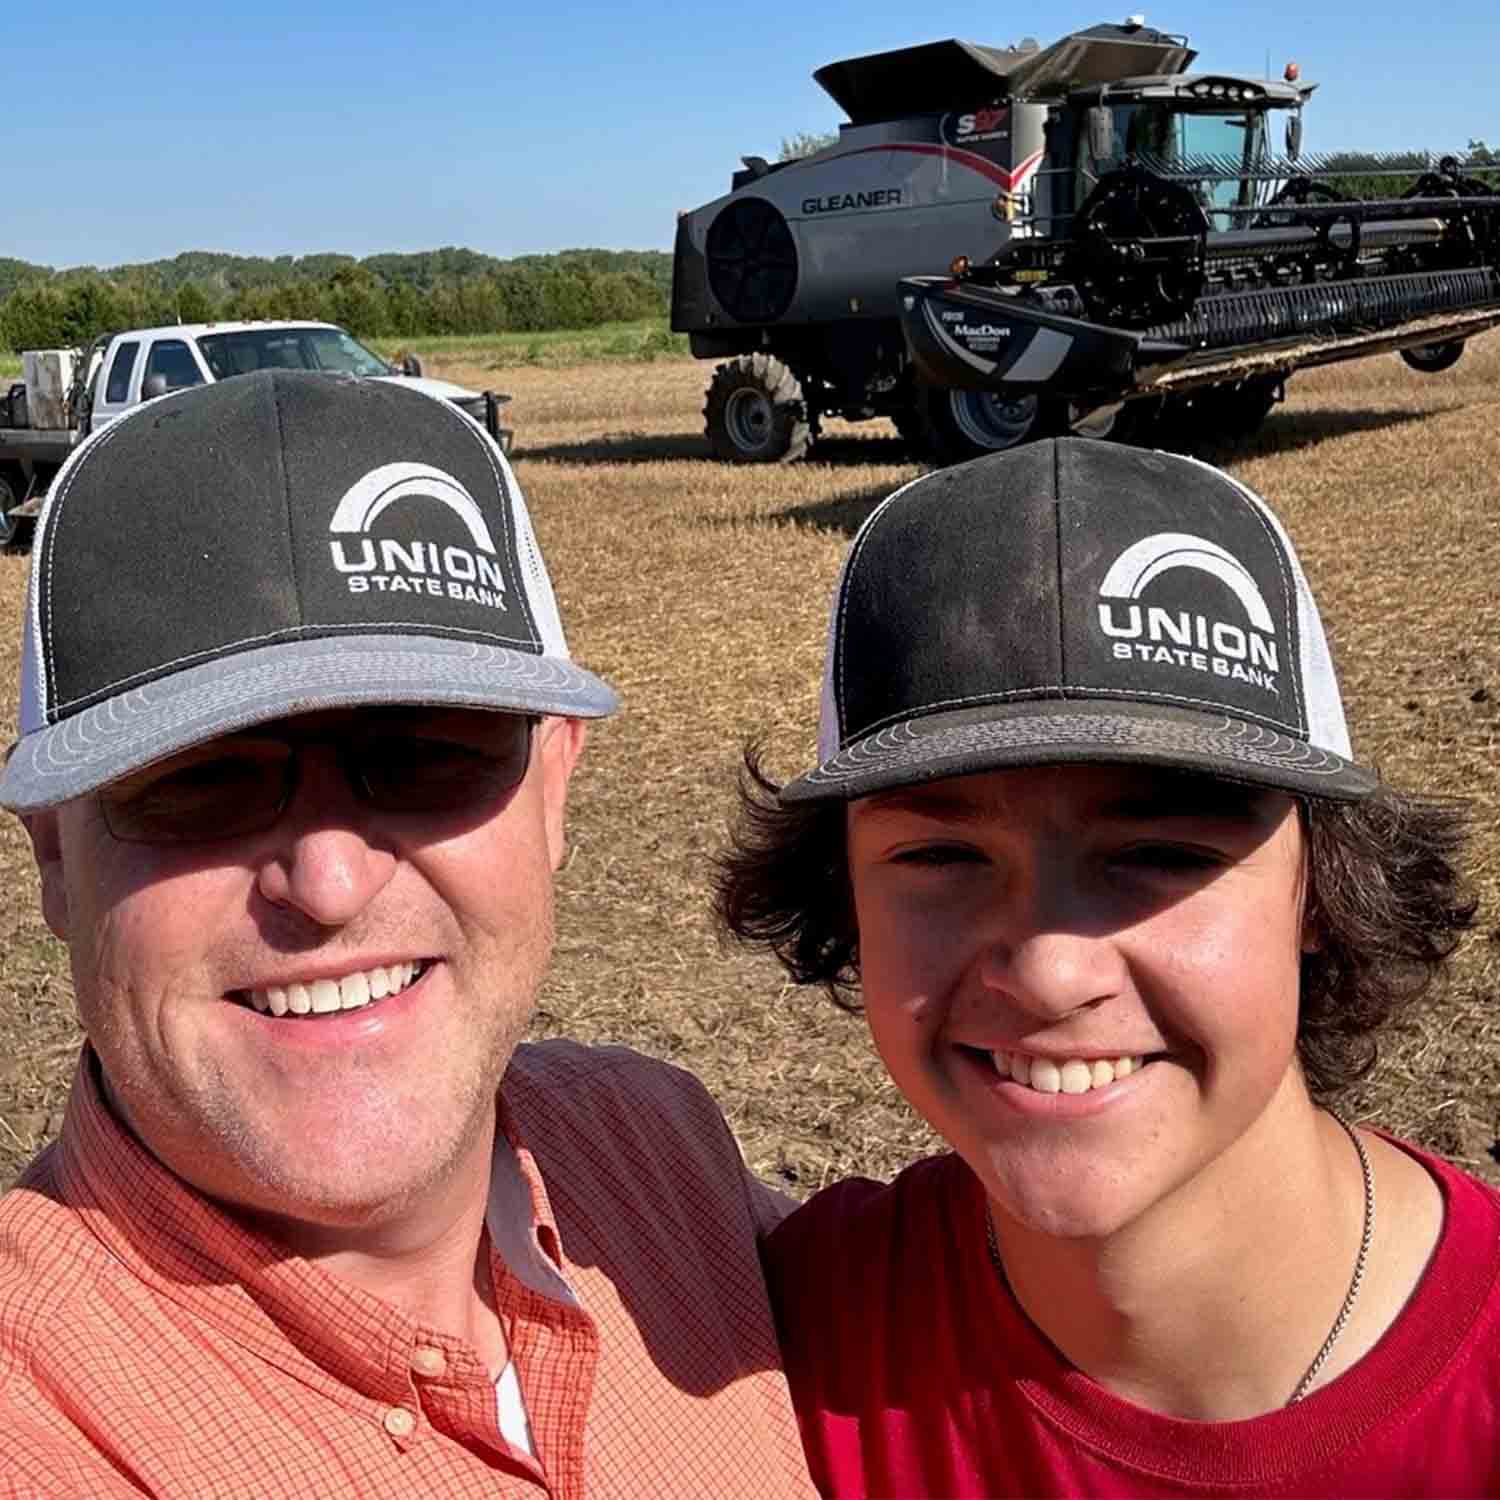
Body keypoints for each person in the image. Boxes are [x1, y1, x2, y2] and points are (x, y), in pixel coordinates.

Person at [0, 371, 816, 1499]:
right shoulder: (37, 1427)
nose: (328, 882)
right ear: (51, 853)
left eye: (428, 751)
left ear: (554, 794)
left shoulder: (661, 1155)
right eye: (202, 783)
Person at [716, 438, 1500, 1496]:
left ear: (1321, 885)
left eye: (1161, 854)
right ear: (845, 896)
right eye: (943, 855)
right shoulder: (771, 1367)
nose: (1047, 971)